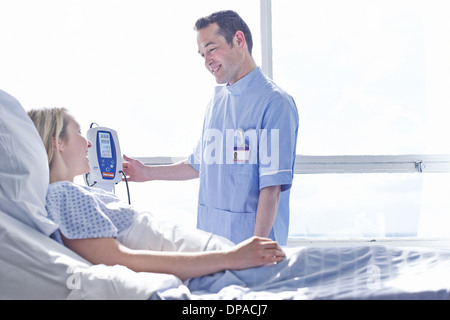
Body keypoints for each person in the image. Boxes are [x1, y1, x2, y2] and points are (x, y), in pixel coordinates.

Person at [27, 107, 285, 282]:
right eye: (79, 133)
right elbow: (121, 260)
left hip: (205, 256)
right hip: (207, 261)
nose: (89, 143)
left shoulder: (72, 193)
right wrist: (231, 257)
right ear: (57, 142)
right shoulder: (62, 196)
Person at [123, 10, 299, 246]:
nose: (207, 62)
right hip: (211, 244)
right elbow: (199, 164)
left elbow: (272, 187)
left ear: (238, 40)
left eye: (212, 49)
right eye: (202, 54)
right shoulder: (216, 102)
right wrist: (148, 173)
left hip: (252, 248)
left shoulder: (275, 103)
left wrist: (256, 245)